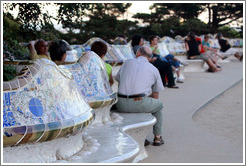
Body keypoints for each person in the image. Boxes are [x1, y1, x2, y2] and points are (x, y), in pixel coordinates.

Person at [115, 45, 165, 146]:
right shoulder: (153, 69)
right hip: (139, 102)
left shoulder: (127, 62)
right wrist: (149, 105)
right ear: (150, 58)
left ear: (138, 53)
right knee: (158, 106)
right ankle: (157, 137)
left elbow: (119, 80)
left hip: (120, 103)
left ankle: (141, 135)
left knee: (142, 103)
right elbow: (156, 94)